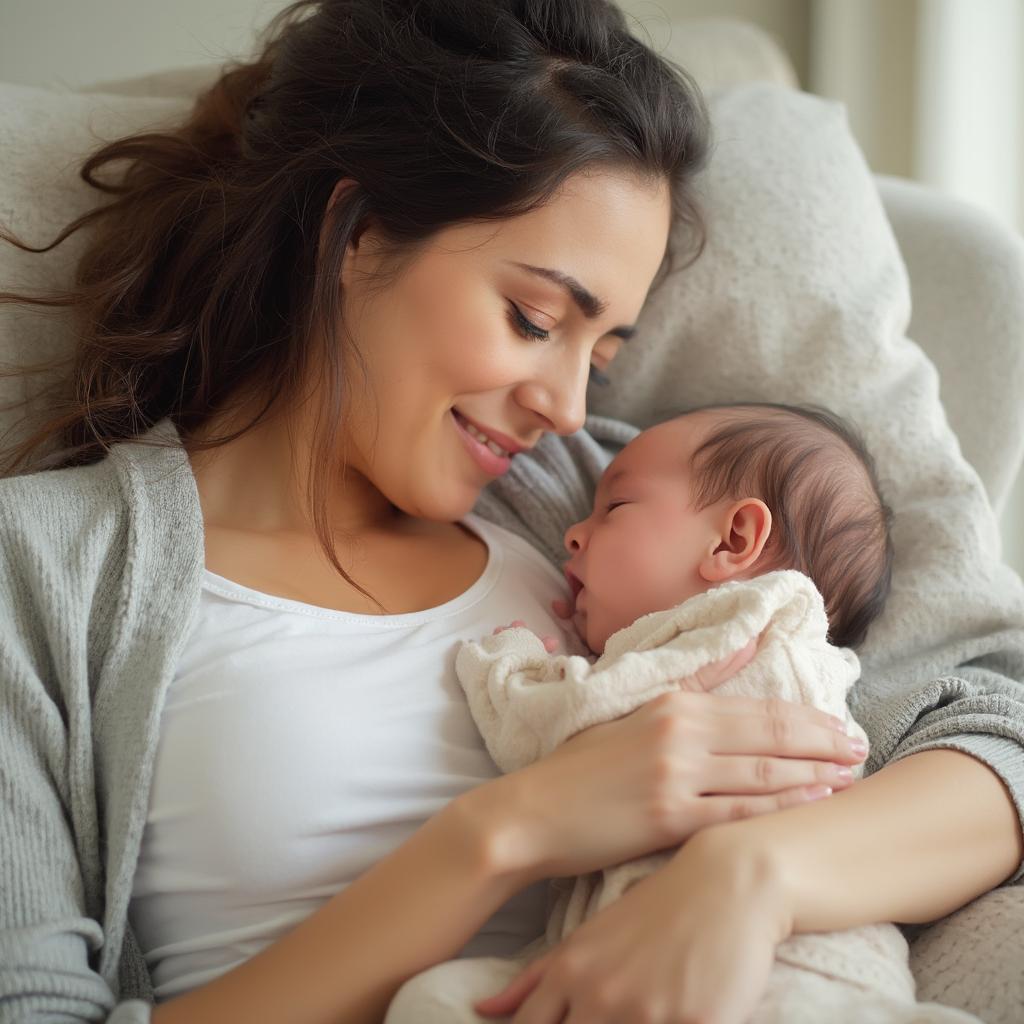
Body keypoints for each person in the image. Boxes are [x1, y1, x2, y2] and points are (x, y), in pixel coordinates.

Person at [0, 3, 1020, 1024]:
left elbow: (991, 722)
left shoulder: (610, 498)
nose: (567, 405)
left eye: (601, 352)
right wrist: (507, 832)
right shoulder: (46, 567)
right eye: (534, 319)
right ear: (355, 234)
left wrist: (752, 874)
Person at [385, 402, 971, 1022]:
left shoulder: (738, 629)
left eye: (615, 507)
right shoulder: (767, 649)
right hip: (674, 956)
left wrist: (513, 662)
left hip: (784, 968)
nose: (574, 534)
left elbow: (553, 736)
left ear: (733, 540)